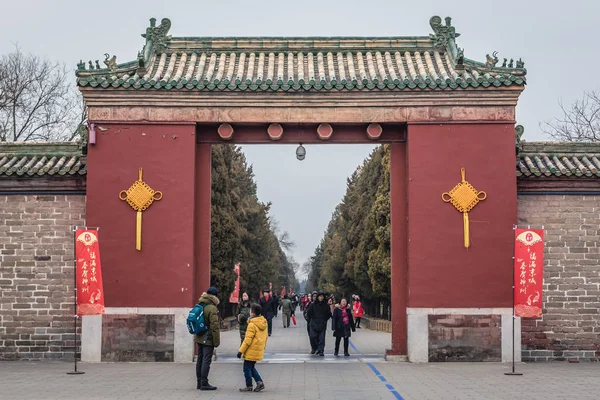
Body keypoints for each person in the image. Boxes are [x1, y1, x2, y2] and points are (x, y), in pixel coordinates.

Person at [194, 287, 221, 391]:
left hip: (199, 336)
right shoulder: (212, 308)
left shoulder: (200, 304)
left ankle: (199, 382)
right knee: (206, 360)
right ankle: (204, 383)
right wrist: (216, 341)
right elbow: (214, 326)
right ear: (214, 296)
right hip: (208, 338)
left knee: (200, 360)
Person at [237, 303, 267, 392]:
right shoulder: (263, 322)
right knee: (251, 367)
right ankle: (259, 382)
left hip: (251, 350)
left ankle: (250, 385)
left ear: (253, 313)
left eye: (250, 310)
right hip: (258, 349)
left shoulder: (252, 324)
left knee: (246, 368)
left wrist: (240, 351)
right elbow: (265, 337)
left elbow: (247, 340)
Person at [305, 291, 331, 356]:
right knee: (312, 337)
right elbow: (308, 313)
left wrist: (325, 320)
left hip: (322, 324)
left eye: (322, 296)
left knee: (321, 339)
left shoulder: (326, 306)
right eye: (319, 296)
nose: (321, 298)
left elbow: (329, 314)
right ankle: (314, 348)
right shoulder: (312, 305)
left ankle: (321, 350)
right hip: (313, 324)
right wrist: (309, 320)